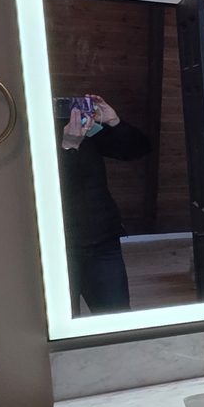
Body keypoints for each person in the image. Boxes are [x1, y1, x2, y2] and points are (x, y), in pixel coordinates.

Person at [58, 93, 150, 314]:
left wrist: (114, 122)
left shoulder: (79, 128)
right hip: (55, 247)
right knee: (60, 321)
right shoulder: (24, 134)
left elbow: (136, 150)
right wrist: (69, 146)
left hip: (102, 238)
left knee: (116, 319)